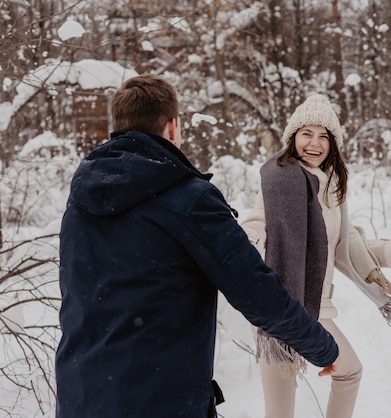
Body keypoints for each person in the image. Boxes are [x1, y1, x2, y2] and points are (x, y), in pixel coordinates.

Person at [55, 75, 340, 418]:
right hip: (161, 401)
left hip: (81, 397)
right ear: (173, 127)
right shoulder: (189, 200)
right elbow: (256, 290)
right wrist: (321, 346)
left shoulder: (81, 200)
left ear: (118, 125)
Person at [240, 94, 391, 418]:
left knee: (349, 371)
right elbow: (257, 224)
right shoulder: (280, 181)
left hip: (315, 307)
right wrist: (245, 247)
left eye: (324, 136)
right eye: (306, 134)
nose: (315, 143)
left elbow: (346, 244)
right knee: (280, 412)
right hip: (281, 306)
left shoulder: (331, 187)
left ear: (334, 143)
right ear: (293, 138)